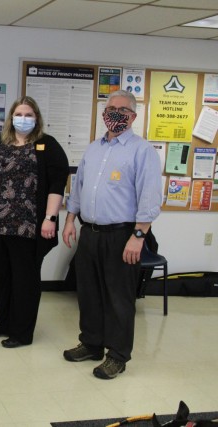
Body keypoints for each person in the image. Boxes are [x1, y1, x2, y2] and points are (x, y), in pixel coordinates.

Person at [62, 90, 161, 379]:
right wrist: (70, 219)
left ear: (132, 116)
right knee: (89, 292)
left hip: (123, 235)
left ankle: (117, 355)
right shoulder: (93, 148)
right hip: (90, 232)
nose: (114, 114)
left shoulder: (142, 151)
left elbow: (150, 197)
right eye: (110, 108)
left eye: (122, 109)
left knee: (119, 298)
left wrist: (139, 236)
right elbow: (78, 188)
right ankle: (91, 343)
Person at [0, 96, 69, 348]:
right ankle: (1, 322)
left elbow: (58, 184)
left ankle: (22, 332)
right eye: (19, 114)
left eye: (28, 115)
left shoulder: (48, 145)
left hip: (27, 226)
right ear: (11, 117)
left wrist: (50, 218)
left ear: (36, 119)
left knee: (25, 279)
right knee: (1, 276)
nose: (22, 119)